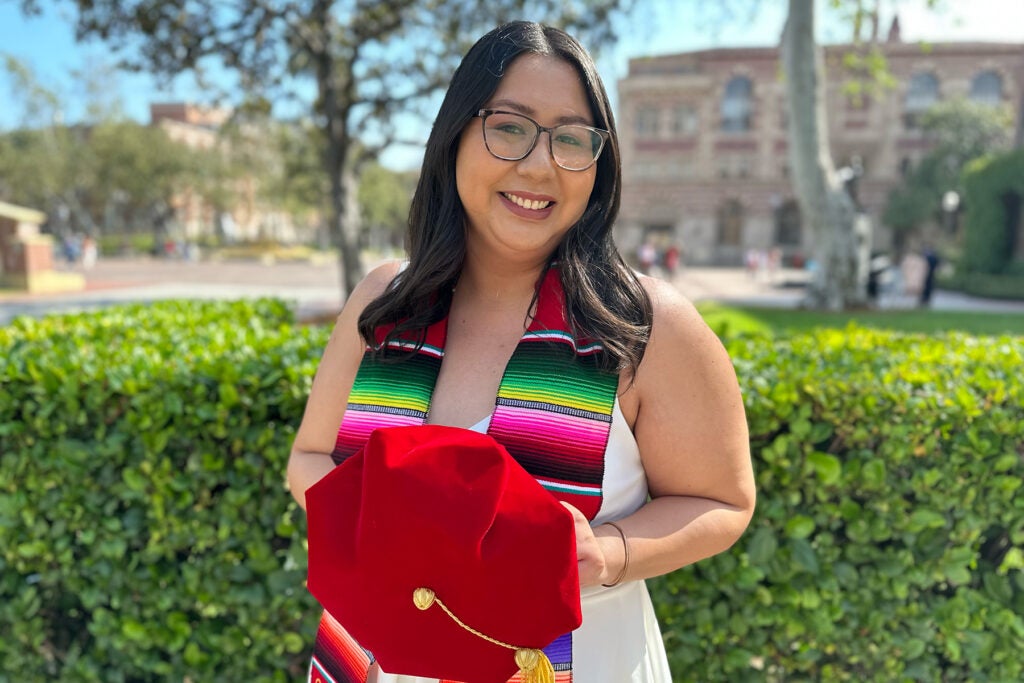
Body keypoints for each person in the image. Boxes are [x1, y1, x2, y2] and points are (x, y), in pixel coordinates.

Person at [287, 21, 756, 683]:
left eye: (571, 139)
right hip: (378, 655)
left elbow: (724, 501)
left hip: (576, 659)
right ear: (455, 135)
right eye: (509, 126)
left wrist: (610, 549)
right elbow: (308, 458)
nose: (539, 165)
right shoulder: (385, 303)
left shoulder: (642, 326)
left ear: (600, 162)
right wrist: (382, 531)